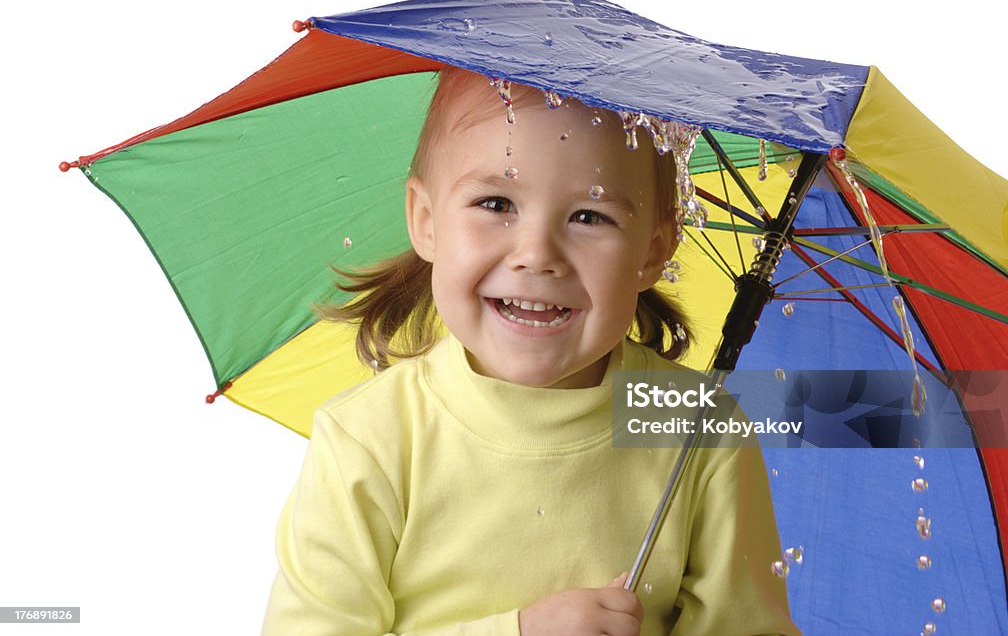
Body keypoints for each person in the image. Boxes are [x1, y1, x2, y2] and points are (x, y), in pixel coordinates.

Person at [261, 67, 799, 636]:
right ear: (426, 221)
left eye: (590, 216)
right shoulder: (371, 436)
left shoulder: (692, 425)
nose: (537, 254)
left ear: (653, 251)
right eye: (496, 204)